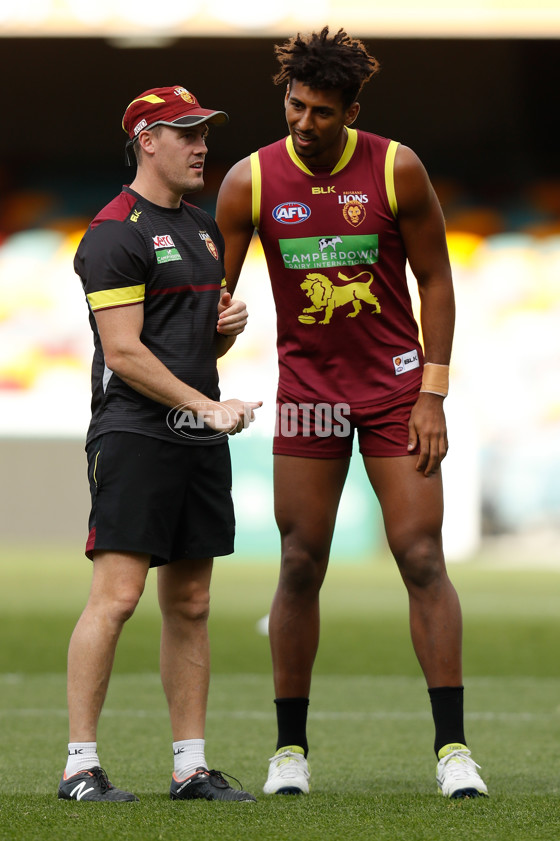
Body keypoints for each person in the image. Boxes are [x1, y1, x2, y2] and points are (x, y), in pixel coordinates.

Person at [216, 27, 488, 799]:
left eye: (323, 112)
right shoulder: (250, 181)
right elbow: (214, 294)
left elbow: (436, 278)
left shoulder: (397, 167)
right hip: (308, 396)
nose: (304, 123)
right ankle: (289, 750)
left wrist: (433, 391)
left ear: (353, 110)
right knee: (300, 561)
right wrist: (215, 329)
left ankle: (454, 749)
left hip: (397, 392)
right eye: (296, 106)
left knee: (422, 556)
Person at [58, 85, 261, 803]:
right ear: (147, 140)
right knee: (116, 597)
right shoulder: (115, 232)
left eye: (204, 130)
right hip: (136, 431)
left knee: (194, 602)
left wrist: (222, 333)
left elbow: (181, 345)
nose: (201, 143)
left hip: (194, 435)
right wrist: (209, 406)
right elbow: (124, 353)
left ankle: (190, 766)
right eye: (185, 132)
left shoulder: (205, 230)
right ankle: (80, 765)